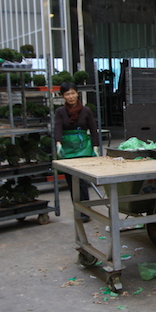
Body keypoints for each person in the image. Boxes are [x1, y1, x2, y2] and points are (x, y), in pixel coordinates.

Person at [54, 81, 100, 223]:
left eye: (73, 93)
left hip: (83, 147)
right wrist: (58, 143)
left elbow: (93, 129)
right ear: (63, 96)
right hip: (68, 148)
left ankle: (85, 210)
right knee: (70, 180)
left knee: (81, 179)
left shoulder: (86, 111)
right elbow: (58, 128)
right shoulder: (60, 112)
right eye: (67, 94)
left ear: (77, 93)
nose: (71, 96)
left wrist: (96, 146)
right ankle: (78, 208)